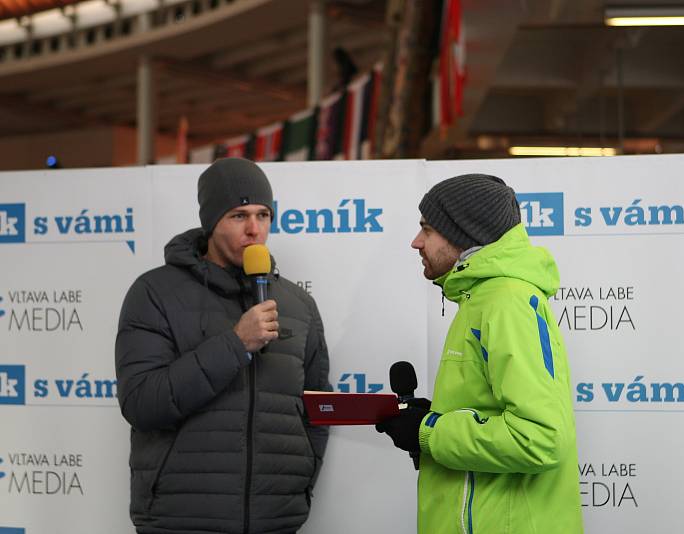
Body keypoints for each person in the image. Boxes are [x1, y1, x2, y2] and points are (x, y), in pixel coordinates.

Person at [115, 157, 331, 534]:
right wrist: (235, 344)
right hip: (181, 519)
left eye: (263, 215)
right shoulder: (154, 293)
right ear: (212, 222)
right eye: (238, 216)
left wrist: (301, 478)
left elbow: (316, 407)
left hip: (276, 520)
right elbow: (142, 403)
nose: (254, 229)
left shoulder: (298, 305)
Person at [377, 173, 583, 533]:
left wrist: (429, 431)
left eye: (427, 229)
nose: (415, 242)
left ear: (463, 233)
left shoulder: (507, 302)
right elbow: (489, 411)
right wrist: (436, 417)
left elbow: (540, 437)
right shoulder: (481, 299)